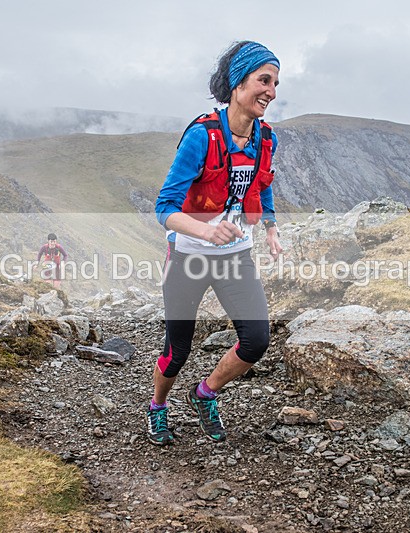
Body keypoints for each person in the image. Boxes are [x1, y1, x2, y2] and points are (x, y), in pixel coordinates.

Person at [147, 41, 283, 445]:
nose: (271, 92)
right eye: (264, 80)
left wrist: (271, 227)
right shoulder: (201, 136)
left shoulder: (265, 138)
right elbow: (164, 207)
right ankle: (157, 406)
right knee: (177, 351)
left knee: (256, 341)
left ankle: (204, 394)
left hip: (235, 256)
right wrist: (206, 231)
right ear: (238, 83)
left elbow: (262, 182)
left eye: (275, 84)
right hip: (189, 256)